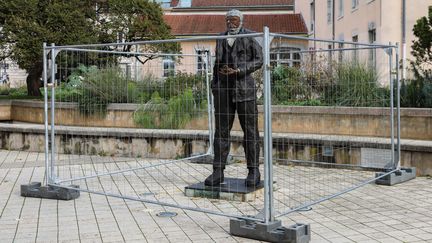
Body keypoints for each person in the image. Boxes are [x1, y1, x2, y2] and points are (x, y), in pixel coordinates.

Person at [205, 9, 263, 187]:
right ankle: (218, 171)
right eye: (228, 20)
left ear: (241, 21)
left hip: (244, 90)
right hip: (223, 90)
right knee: (221, 133)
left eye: (234, 20)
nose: (231, 23)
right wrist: (215, 84)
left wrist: (239, 70)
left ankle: (253, 171)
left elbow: (259, 59)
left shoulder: (250, 36)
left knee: (251, 132)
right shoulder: (220, 37)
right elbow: (217, 63)